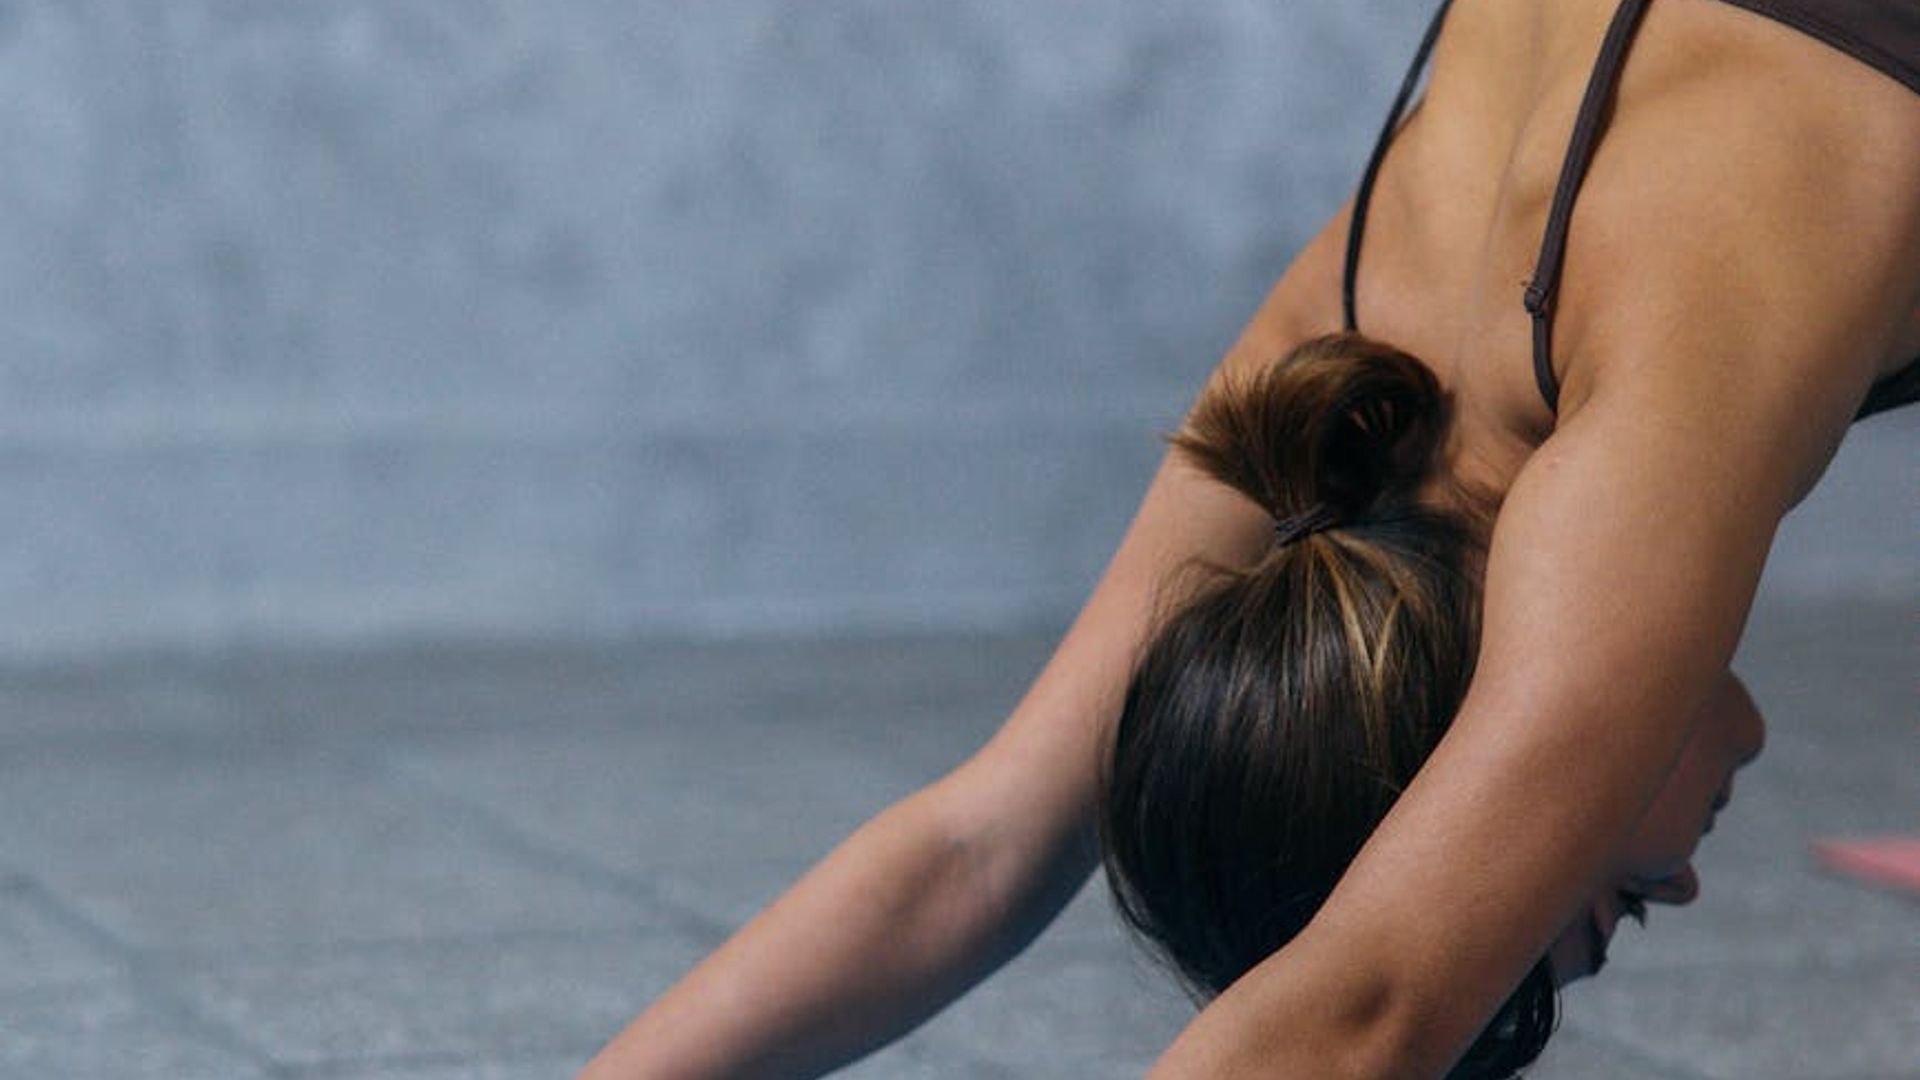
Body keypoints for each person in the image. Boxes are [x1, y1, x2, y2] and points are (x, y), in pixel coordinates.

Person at [578, 0, 1919, 1075]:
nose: (1680, 890)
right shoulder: (1366, 332)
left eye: (1607, 907)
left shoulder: (1646, 406)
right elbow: (978, 847)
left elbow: (1367, 1007)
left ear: (1474, 754)